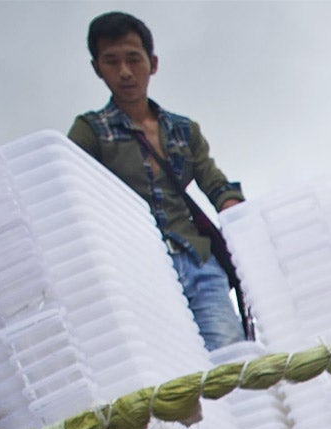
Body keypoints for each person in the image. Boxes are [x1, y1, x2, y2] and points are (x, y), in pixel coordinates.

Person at [69, 11, 246, 350]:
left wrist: (237, 216)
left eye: (133, 60)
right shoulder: (90, 131)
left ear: (153, 63)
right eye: (111, 61)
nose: (124, 72)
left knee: (231, 357)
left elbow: (214, 182)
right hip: (137, 265)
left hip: (198, 260)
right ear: (96, 68)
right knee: (164, 364)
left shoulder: (183, 130)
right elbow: (72, 197)